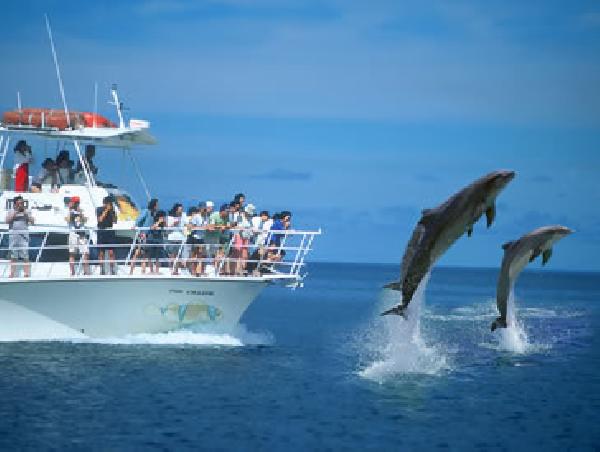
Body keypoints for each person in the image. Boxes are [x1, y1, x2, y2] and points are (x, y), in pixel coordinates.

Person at [6, 196, 34, 277]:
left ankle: (26, 274)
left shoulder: (27, 211)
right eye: (19, 203)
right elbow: (7, 221)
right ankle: (12, 273)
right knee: (13, 256)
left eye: (22, 203)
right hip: (13, 237)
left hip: (24, 237)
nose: (21, 205)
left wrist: (26, 214)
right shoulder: (11, 211)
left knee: (25, 255)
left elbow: (33, 222)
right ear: (15, 204)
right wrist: (16, 212)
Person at [129, 198, 159, 275]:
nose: (158, 206)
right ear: (154, 205)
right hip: (143, 235)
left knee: (145, 254)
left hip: (149, 235)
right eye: (157, 204)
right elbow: (139, 219)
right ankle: (131, 271)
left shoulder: (153, 213)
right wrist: (135, 226)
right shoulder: (146, 211)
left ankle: (143, 271)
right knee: (137, 252)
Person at [65, 196, 90, 276]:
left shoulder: (81, 211)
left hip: (82, 234)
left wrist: (81, 214)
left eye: (76, 203)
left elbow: (85, 220)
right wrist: (71, 212)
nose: (75, 204)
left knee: (85, 253)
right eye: (74, 202)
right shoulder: (69, 211)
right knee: (72, 253)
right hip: (73, 234)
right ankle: (72, 272)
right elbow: (67, 219)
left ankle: (86, 272)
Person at [204, 203, 230, 274]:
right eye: (227, 211)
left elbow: (227, 225)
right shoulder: (214, 216)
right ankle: (209, 270)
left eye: (228, 211)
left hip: (218, 237)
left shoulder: (227, 217)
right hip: (209, 237)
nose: (228, 213)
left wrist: (226, 227)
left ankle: (216, 269)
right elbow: (211, 227)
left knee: (218, 254)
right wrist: (220, 227)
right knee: (210, 253)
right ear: (222, 211)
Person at [96, 196, 117, 275]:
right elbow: (100, 219)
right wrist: (106, 210)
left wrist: (111, 212)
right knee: (101, 252)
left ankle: (112, 270)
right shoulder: (99, 209)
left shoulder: (112, 211)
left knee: (111, 252)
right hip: (102, 231)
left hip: (110, 231)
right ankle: (102, 270)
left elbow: (115, 221)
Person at [166, 203, 187, 275]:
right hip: (172, 238)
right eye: (180, 210)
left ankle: (176, 270)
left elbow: (187, 224)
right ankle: (171, 270)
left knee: (178, 255)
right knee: (172, 255)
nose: (181, 211)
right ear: (176, 210)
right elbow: (167, 228)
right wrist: (174, 223)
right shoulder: (170, 217)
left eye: (182, 209)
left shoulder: (184, 216)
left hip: (180, 238)